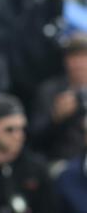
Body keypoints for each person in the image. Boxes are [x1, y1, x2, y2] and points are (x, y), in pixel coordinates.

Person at [31, 33, 87, 161]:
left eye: (83, 57)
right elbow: (36, 140)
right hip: (63, 160)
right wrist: (57, 118)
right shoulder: (50, 91)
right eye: (73, 57)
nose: (78, 63)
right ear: (65, 61)